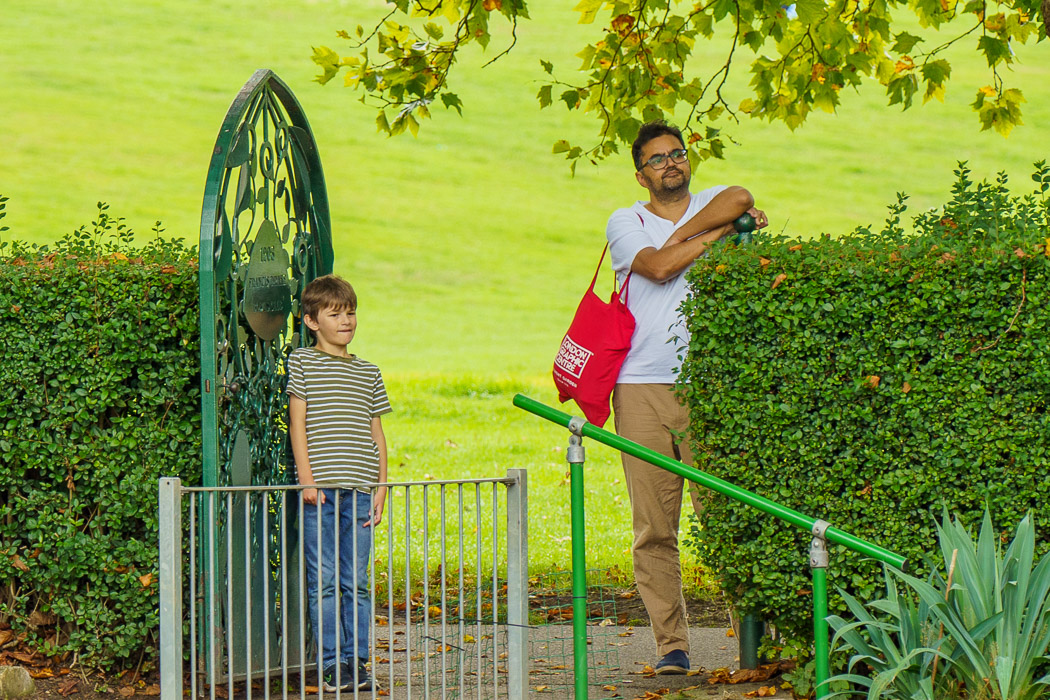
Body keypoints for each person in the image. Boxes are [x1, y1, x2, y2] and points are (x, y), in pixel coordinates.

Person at [605, 121, 767, 674]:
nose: (670, 163)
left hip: (708, 383)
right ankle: (671, 645)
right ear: (640, 173)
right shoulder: (627, 220)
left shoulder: (713, 201)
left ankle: (755, 640)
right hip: (639, 385)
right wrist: (719, 234)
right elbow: (655, 266)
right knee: (654, 524)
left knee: (726, 514)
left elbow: (741, 197)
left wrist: (703, 229)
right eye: (657, 159)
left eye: (677, 154)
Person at [287, 274, 392, 692]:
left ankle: (358, 662)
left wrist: (382, 487)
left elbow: (377, 433)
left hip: (361, 491)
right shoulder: (303, 362)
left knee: (358, 582)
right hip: (322, 492)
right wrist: (307, 481)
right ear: (312, 321)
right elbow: (298, 426)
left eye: (350, 312)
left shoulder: (368, 371)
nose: (345, 320)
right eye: (335, 314)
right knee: (325, 581)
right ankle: (331, 665)